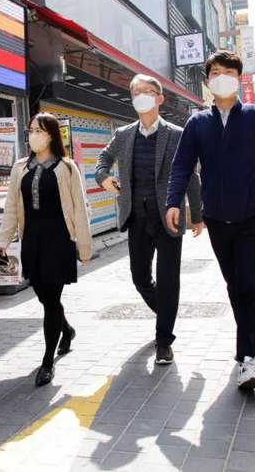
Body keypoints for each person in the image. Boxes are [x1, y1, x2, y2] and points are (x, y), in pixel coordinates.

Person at [166, 50, 255, 390]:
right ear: (207, 81)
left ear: (239, 78)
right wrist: (173, 202)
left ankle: (249, 359)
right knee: (234, 285)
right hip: (217, 219)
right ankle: (245, 349)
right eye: (215, 73)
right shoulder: (197, 124)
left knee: (248, 286)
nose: (221, 77)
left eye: (228, 72)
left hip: (253, 217)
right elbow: (182, 166)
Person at [95, 74, 203, 365]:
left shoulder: (177, 134)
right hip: (137, 218)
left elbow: (191, 175)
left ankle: (164, 340)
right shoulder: (123, 134)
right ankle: (165, 313)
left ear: (160, 98)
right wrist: (103, 177)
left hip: (169, 216)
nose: (141, 96)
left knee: (168, 280)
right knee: (140, 277)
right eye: (136, 92)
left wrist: (197, 215)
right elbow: (102, 160)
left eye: (147, 91)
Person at [0, 113, 92, 386]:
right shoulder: (20, 168)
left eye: (39, 130)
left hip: (59, 240)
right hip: (32, 241)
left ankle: (47, 361)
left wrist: (84, 247)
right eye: (31, 130)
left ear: (51, 135)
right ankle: (67, 329)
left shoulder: (67, 167)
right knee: (44, 297)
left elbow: (79, 208)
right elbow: (11, 207)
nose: (33, 135)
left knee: (51, 301)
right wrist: (3, 241)